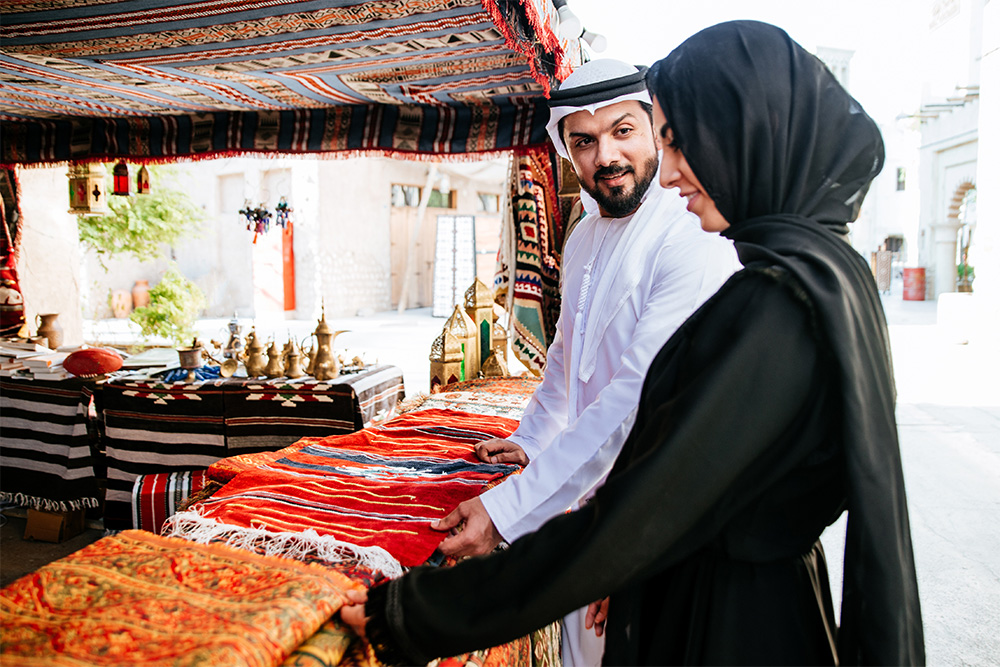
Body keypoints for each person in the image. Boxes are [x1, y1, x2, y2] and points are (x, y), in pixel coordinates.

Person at [343, 21, 925, 666]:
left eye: (666, 139)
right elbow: (579, 367)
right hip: (683, 564)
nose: (667, 168)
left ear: (745, 137)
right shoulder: (819, 271)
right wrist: (543, 455)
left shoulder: (766, 292)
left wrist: (413, 611)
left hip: (727, 620)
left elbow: (647, 443)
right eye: (586, 141)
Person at [429, 58, 740, 664]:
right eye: (585, 141)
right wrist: (532, 440)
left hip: (656, 515)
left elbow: (632, 400)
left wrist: (505, 511)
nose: (607, 157)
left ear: (656, 131)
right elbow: (568, 357)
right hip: (589, 505)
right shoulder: (585, 236)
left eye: (623, 131)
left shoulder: (690, 235)